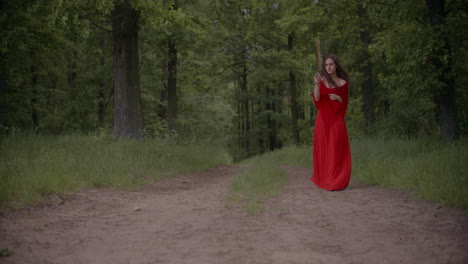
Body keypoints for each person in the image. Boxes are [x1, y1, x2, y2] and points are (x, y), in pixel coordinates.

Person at [311, 54, 351, 191]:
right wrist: (316, 84)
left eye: (331, 64)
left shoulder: (343, 83)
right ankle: (327, 179)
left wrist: (338, 98)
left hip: (336, 120)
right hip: (322, 120)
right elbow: (316, 98)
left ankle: (337, 180)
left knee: (335, 150)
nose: (328, 67)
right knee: (325, 150)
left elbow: (344, 104)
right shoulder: (321, 81)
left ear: (336, 66)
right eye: (326, 65)